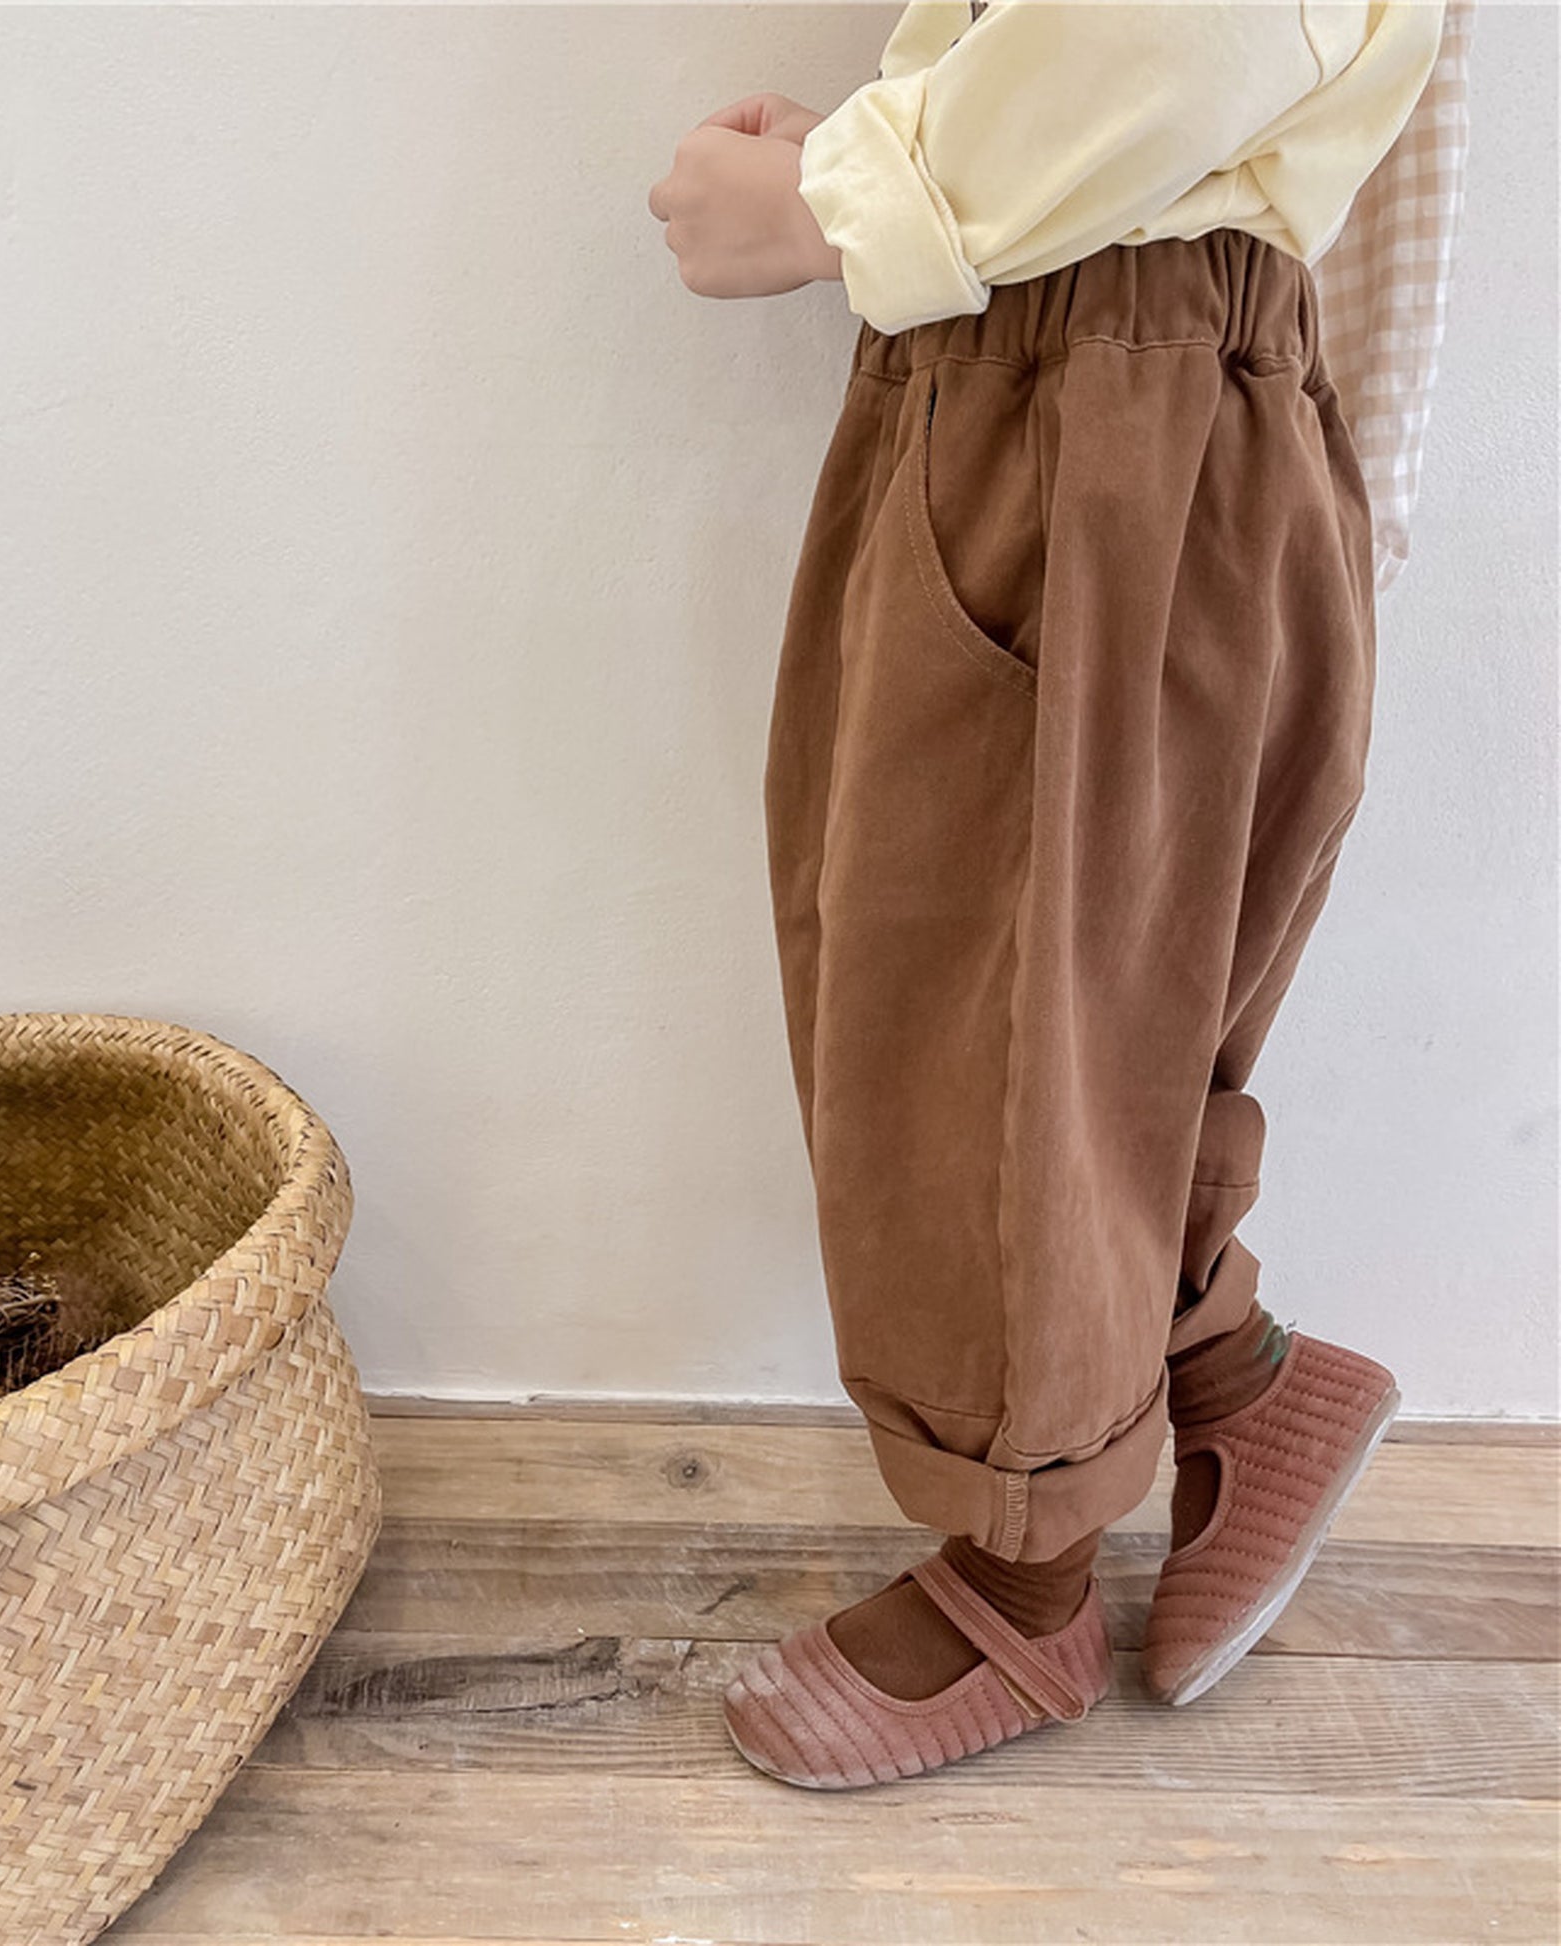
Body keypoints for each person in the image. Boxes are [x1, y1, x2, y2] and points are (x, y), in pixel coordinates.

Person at [646, 0, 1463, 1789]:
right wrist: (892, 160)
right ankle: (1227, 1374)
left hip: (1106, 386)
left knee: (985, 1021)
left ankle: (1025, 1572)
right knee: (1062, 999)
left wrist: (848, 197)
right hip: (1099, 370)